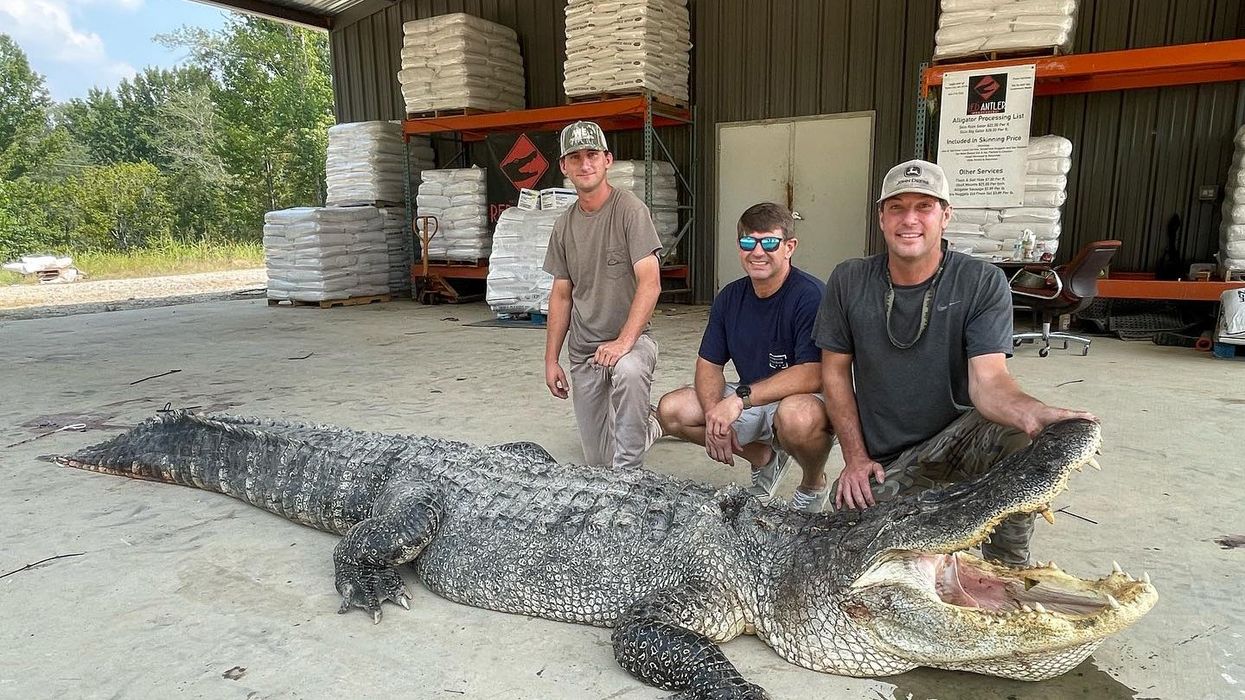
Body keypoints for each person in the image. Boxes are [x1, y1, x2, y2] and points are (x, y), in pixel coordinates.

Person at [813, 159, 1096, 565]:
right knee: (849, 537)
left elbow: (989, 381)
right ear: (881, 216)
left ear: (945, 215)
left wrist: (1032, 413)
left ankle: (1006, 568)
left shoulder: (981, 282)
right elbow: (835, 375)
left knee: (1015, 437)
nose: (909, 219)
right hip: (893, 459)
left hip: (961, 440)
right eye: (897, 207)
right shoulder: (849, 279)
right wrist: (855, 458)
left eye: (924, 206)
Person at [652, 202, 834, 512]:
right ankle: (763, 457)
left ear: (790, 247)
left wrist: (738, 401)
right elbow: (709, 364)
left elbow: (814, 373)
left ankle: (813, 483)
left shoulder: (811, 296)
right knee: (671, 410)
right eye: (749, 242)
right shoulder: (730, 297)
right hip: (750, 396)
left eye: (770, 243)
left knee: (796, 419)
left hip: (801, 398)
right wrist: (714, 416)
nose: (758, 252)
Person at [543, 121, 664, 469]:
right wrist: (551, 360)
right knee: (597, 461)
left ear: (607, 159)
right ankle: (648, 425)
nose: (585, 164)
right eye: (575, 157)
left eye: (592, 154)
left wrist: (625, 342)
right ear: (563, 166)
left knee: (627, 371)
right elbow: (562, 296)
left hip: (632, 341)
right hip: (585, 352)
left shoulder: (630, 211)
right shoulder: (564, 226)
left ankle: (629, 479)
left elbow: (650, 282)